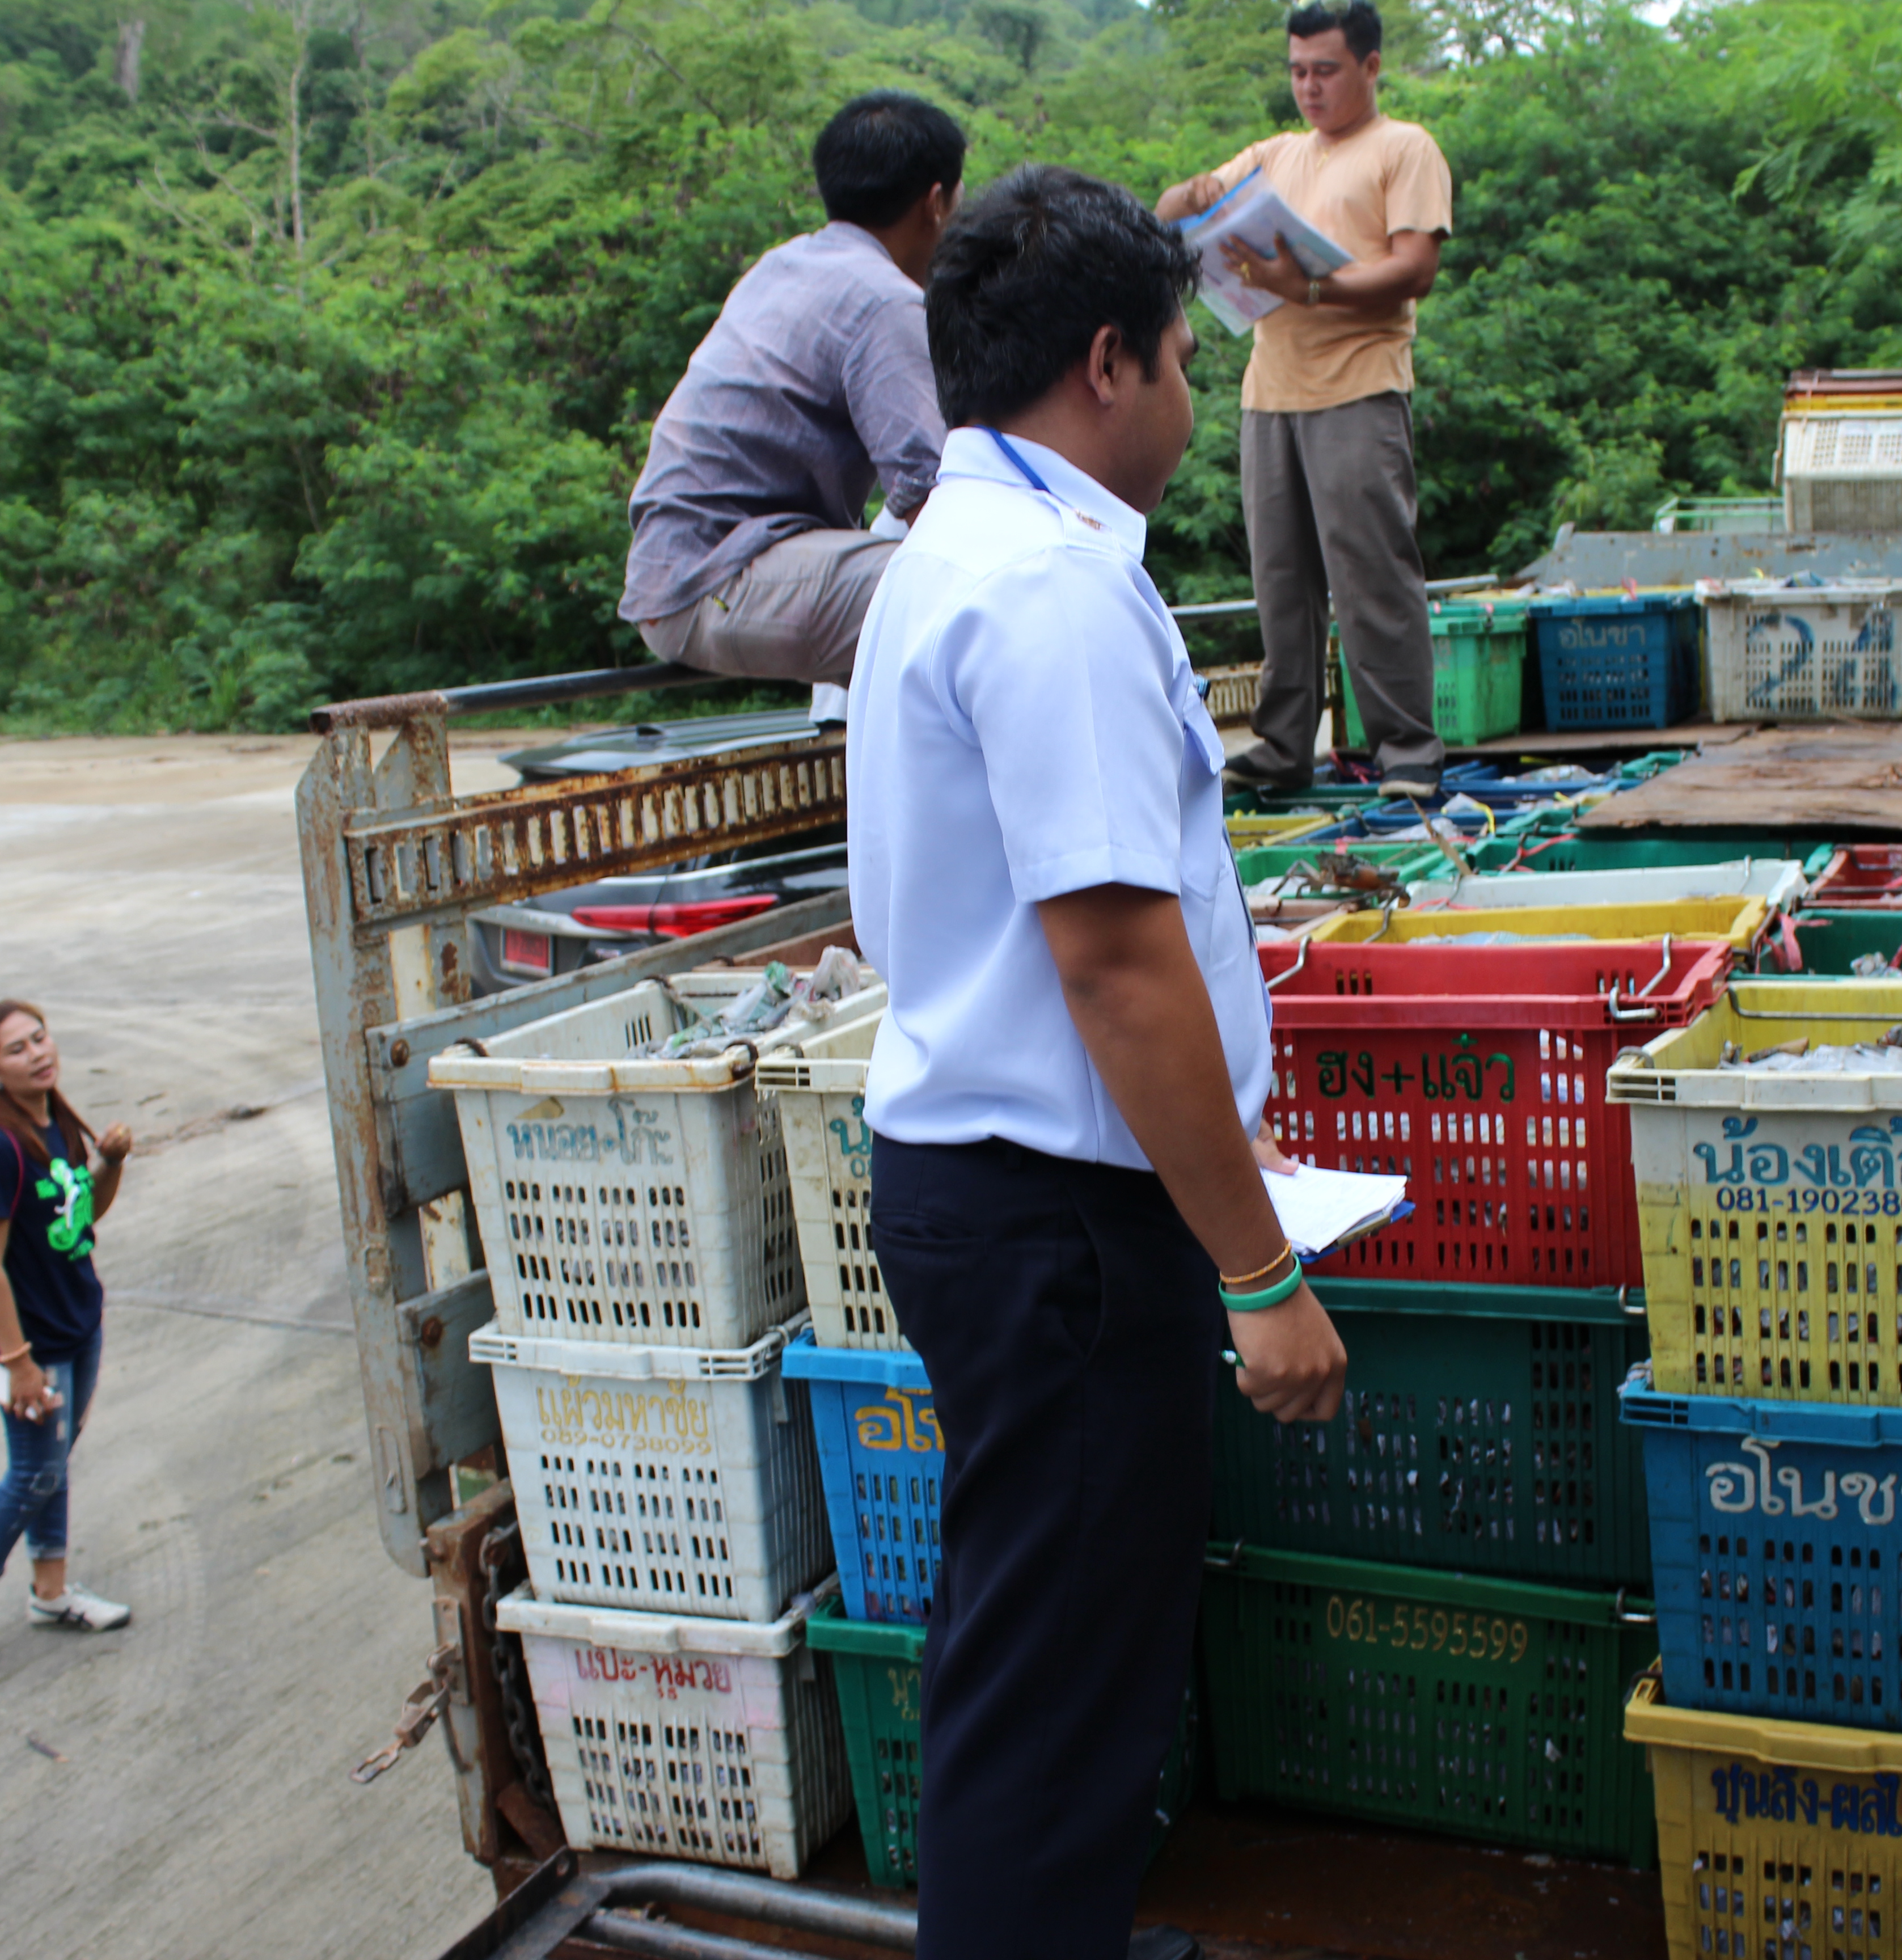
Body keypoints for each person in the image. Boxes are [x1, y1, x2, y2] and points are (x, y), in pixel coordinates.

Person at [848, 164, 1350, 1960]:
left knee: (1035, 1634)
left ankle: (1037, 1926)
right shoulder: (1047, 592)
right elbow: (1120, 971)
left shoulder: (947, 553)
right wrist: (1261, 1273)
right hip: (1062, 1219)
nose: (1196, 404)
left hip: (999, 1202)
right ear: (1115, 362)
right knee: (1056, 1685)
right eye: (1184, 363)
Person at [1155, 1, 1452, 800]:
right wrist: (1187, 200)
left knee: (1372, 573)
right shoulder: (1275, 153)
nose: (1309, 88)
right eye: (1297, 72)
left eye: (1325, 71)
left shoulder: (1404, 148)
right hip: (1271, 391)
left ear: (1370, 66)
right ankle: (1284, 745)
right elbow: (1191, 202)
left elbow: (1414, 267)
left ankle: (1408, 749)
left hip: (1359, 383)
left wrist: (1312, 286)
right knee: (1280, 578)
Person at [619, 91, 965, 691]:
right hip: (723, 578)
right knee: (996, 587)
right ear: (936, 203)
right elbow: (928, 493)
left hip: (676, 572)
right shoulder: (886, 300)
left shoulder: (784, 265)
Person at [0, 1001, 135, 1690]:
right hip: (32, 1342)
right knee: (30, 1475)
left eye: (40, 1038)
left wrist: (109, 1164)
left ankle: (51, 1593)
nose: (38, 1054)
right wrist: (16, 1364)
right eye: (17, 1049)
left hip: (79, 1323)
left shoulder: (55, 1122)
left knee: (53, 1462)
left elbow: (83, 1215)